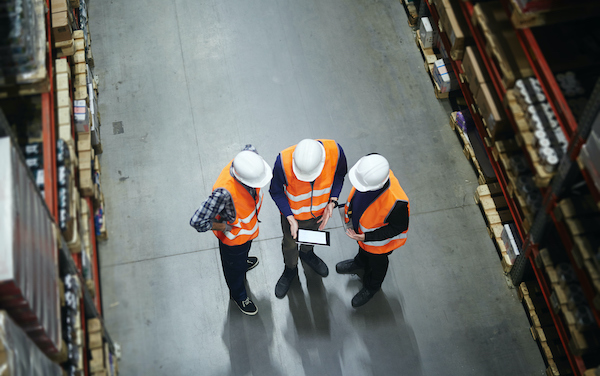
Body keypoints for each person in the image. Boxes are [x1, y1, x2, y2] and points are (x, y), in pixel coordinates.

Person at [190, 145, 272, 315]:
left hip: (247, 233)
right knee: (233, 269)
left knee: (242, 257)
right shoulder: (224, 193)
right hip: (233, 241)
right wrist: (223, 227)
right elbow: (197, 221)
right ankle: (238, 295)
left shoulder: (249, 156)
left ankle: (242, 263)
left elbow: (250, 147)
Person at [269, 139, 347, 298]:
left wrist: (332, 202)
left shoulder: (335, 152)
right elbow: (276, 191)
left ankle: (307, 253)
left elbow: (340, 175)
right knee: (290, 244)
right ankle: (290, 269)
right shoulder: (282, 162)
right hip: (293, 217)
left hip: (320, 212)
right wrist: (289, 218)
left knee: (311, 237)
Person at [336, 154, 409, 308]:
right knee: (363, 252)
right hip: (362, 236)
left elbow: (398, 227)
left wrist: (367, 236)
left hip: (378, 245)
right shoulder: (370, 173)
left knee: (378, 264)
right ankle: (360, 262)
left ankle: (372, 287)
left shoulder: (397, 202)